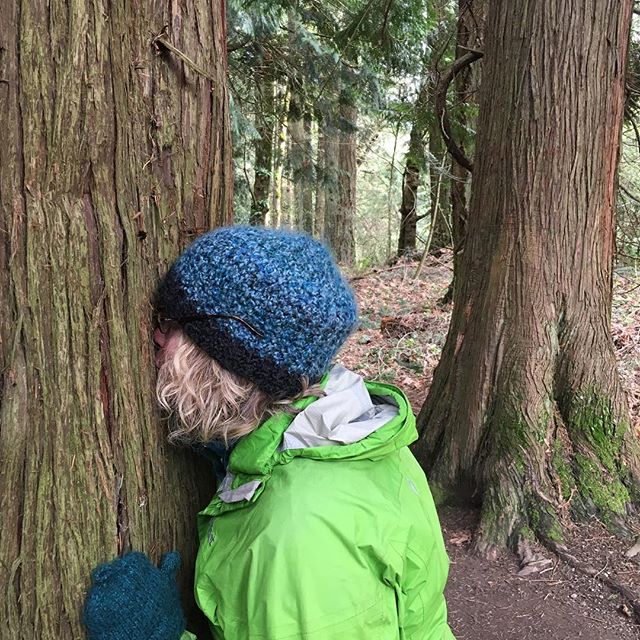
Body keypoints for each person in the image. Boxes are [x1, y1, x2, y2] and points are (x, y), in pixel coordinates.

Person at [83, 226, 454, 640]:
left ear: (222, 361)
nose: (157, 334)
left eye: (173, 323)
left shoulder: (301, 539)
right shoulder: (355, 435)